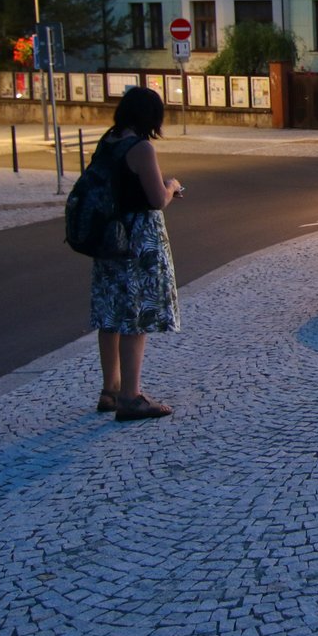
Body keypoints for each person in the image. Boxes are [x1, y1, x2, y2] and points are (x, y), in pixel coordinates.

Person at [91, 86, 182, 422]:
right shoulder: (141, 148)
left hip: (108, 238)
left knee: (110, 314)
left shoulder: (108, 142)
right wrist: (172, 186)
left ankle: (110, 390)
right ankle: (131, 397)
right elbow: (157, 199)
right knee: (136, 315)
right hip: (137, 240)